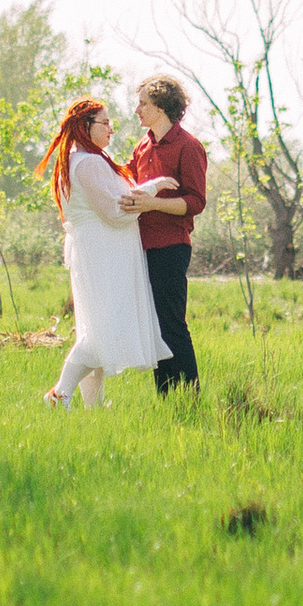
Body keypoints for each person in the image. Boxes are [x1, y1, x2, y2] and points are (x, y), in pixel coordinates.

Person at [35, 97, 173, 409]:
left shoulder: (83, 160)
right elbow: (116, 210)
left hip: (100, 248)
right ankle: (59, 394)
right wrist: (154, 188)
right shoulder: (88, 163)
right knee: (102, 330)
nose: (112, 128)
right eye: (105, 122)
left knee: (96, 326)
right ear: (86, 127)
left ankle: (91, 407)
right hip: (103, 251)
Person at [126, 74, 207, 394]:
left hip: (171, 247)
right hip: (140, 248)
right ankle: (167, 398)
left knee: (172, 325)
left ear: (161, 106)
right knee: (153, 328)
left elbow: (196, 202)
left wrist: (152, 203)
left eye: (143, 103)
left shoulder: (189, 146)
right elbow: (128, 185)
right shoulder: (142, 145)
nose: (137, 110)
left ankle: (189, 396)